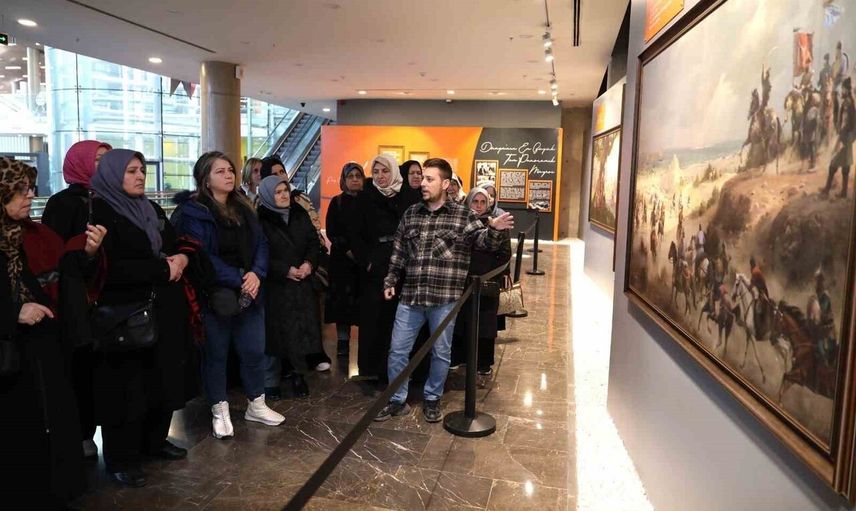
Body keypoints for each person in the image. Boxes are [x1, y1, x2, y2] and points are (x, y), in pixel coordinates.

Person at [90, 149, 200, 487]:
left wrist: (181, 259)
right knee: (126, 387)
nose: (140, 176)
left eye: (142, 170)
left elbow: (173, 244)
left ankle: (154, 441)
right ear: (113, 175)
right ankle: (122, 458)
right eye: (131, 171)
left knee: (161, 378)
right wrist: (162, 269)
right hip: (126, 313)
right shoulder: (101, 211)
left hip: (163, 306)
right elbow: (110, 267)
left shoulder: (150, 208)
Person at [375, 158, 513, 423]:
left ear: (446, 183)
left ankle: (432, 398)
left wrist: (494, 230)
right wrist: (390, 280)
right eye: (423, 178)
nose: (423, 184)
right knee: (398, 351)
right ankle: (396, 399)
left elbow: (484, 242)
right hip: (411, 297)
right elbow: (399, 252)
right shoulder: (412, 214)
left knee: (440, 352)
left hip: (445, 300)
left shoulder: (463, 216)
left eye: (430, 179)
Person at [0, 157, 105, 506]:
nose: (30, 195)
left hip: (40, 352)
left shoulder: (21, 235)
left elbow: (51, 277)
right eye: (20, 190)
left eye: (30, 188)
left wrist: (87, 253)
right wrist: (14, 313)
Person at [172, 151, 284, 440]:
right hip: (215, 293)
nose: (228, 175)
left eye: (230, 170)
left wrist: (256, 273)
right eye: (220, 171)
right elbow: (201, 255)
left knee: (254, 350)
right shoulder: (192, 212)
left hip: (250, 289)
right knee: (216, 354)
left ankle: (256, 404)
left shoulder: (243, 206)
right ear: (205, 179)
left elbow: (261, 244)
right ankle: (219, 409)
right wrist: (239, 278)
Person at [40, 139, 112, 462]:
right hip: (75, 300)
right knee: (79, 369)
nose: (104, 166)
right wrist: (87, 253)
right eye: (98, 160)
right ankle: (81, 434)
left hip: (106, 296)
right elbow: (53, 255)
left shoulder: (110, 199)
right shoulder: (63, 203)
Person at [348, 155, 420, 384]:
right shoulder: (365, 198)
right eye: (376, 171)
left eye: (385, 171)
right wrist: (367, 261)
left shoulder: (409, 196)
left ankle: (405, 369)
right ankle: (376, 369)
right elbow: (355, 235)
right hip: (376, 266)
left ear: (394, 172)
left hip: (405, 264)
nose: (380, 176)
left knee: (404, 318)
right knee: (376, 318)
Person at [257, 174, 322, 399]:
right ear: (267, 195)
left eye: (285, 190)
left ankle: (298, 375)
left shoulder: (299, 213)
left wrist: (309, 264)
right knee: (274, 335)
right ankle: (270, 381)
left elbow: (313, 242)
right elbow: (260, 253)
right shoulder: (261, 219)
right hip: (276, 286)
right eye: (277, 192)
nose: (284, 195)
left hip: (301, 282)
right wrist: (285, 270)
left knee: (299, 332)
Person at [451, 187, 512, 376]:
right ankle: (459, 357)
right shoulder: (461, 221)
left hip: (487, 280)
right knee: (462, 321)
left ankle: (483, 362)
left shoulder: (496, 223)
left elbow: (505, 252)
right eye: (475, 201)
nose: (478, 206)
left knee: (485, 323)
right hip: (463, 281)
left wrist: (499, 273)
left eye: (482, 202)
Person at [325, 162, 364, 357]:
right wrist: (348, 250)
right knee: (342, 305)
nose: (355, 179)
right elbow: (332, 231)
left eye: (358, 176)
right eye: (350, 176)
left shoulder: (369, 202)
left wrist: (362, 253)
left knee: (363, 303)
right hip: (342, 262)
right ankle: (342, 341)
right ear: (344, 180)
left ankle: (365, 343)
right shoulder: (337, 202)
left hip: (364, 263)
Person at [823, 77, 854, 198]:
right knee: (845, 165)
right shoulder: (849, 102)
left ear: (847, 90)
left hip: (844, 137)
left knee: (834, 163)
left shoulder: (847, 103)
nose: (842, 91)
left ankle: (827, 189)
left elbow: (846, 122)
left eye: (843, 89)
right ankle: (843, 192)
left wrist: (841, 136)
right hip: (847, 138)